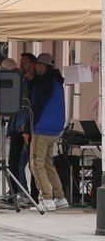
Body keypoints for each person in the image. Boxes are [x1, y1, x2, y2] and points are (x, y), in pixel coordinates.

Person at [30, 52, 68, 211]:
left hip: (42, 128)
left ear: (42, 66)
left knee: (36, 164)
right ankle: (60, 197)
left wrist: (28, 128)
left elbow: (36, 107)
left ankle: (46, 198)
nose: (35, 67)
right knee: (48, 163)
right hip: (55, 128)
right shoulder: (56, 81)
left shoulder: (44, 83)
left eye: (37, 64)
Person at [8, 54, 39, 203]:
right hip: (16, 126)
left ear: (33, 65)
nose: (21, 66)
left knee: (29, 163)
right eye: (21, 63)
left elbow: (35, 107)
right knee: (12, 163)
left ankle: (33, 195)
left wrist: (27, 128)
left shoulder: (36, 83)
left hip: (29, 127)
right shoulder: (19, 80)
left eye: (24, 63)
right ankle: (14, 194)